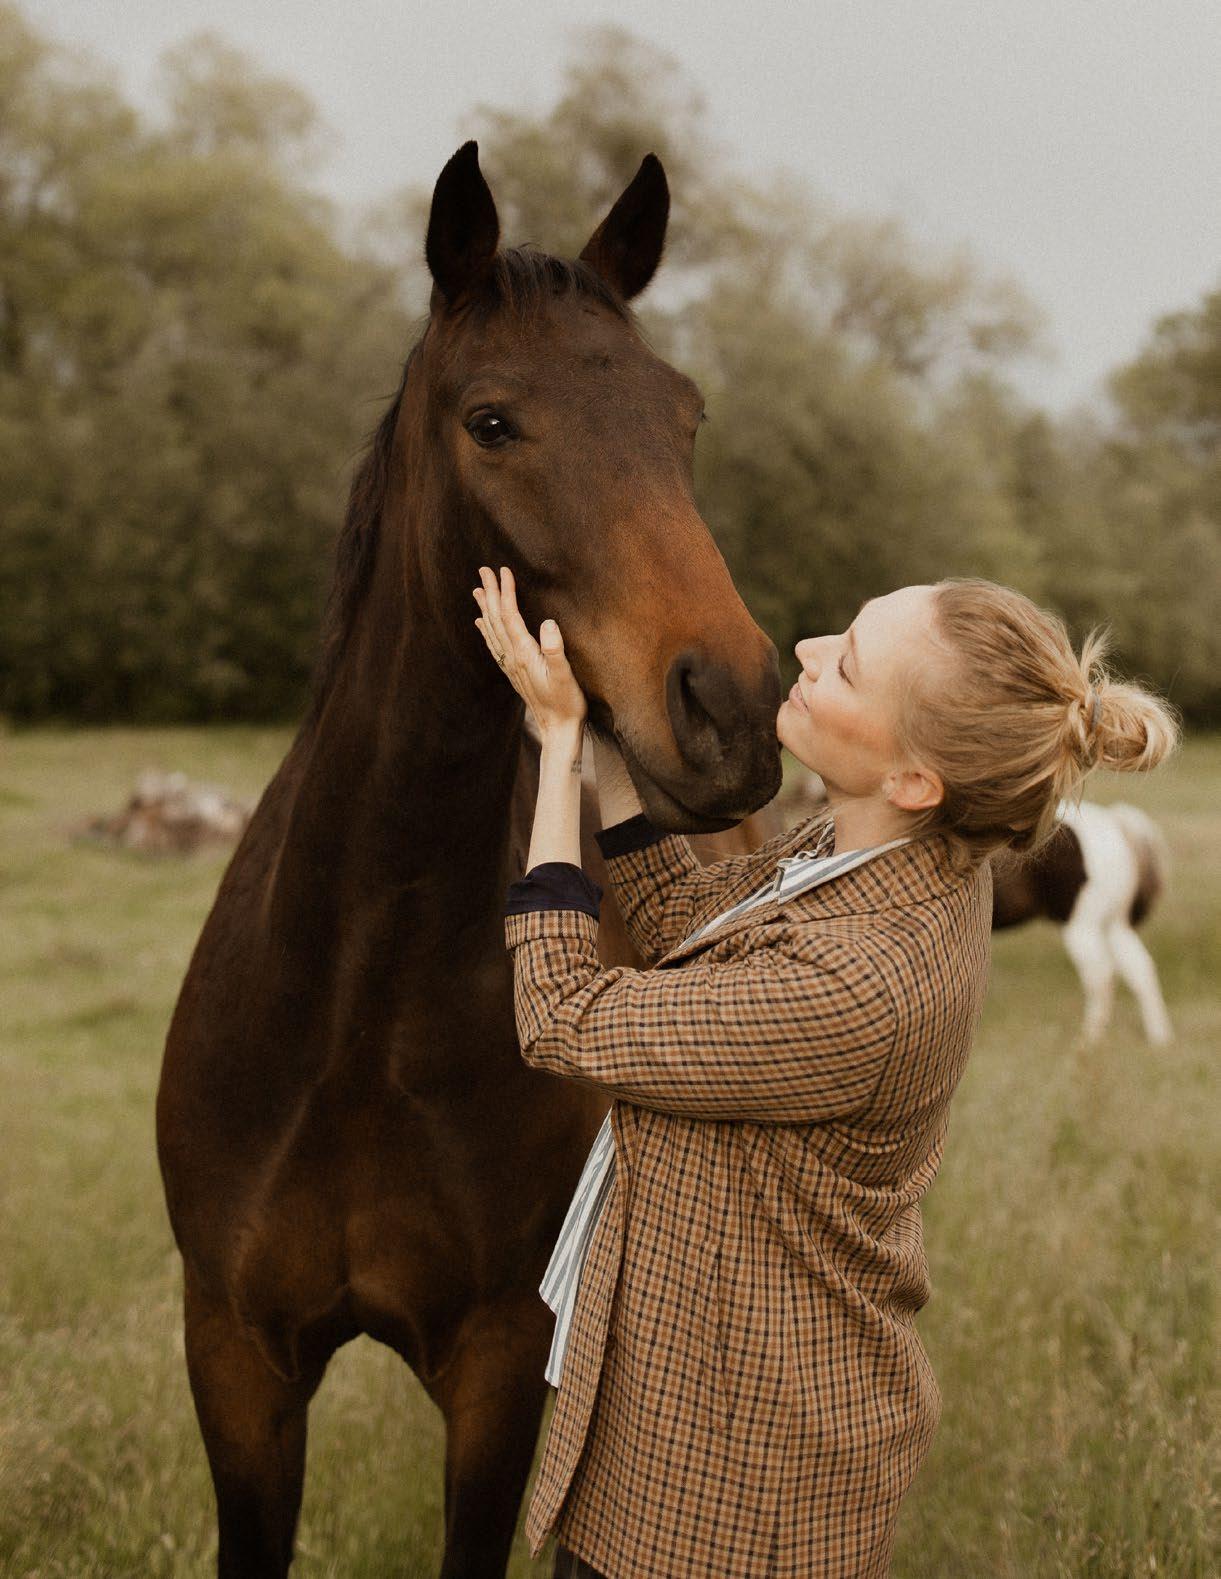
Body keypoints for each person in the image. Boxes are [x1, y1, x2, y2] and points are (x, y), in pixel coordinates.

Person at [471, 565, 1178, 1579]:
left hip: (737, 1483)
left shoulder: (863, 981)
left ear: (913, 777)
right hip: (700, 1403)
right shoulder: (886, 853)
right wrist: (599, 737)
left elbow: (563, 1019)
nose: (802, 653)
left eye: (845, 665)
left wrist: (553, 751)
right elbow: (686, 931)